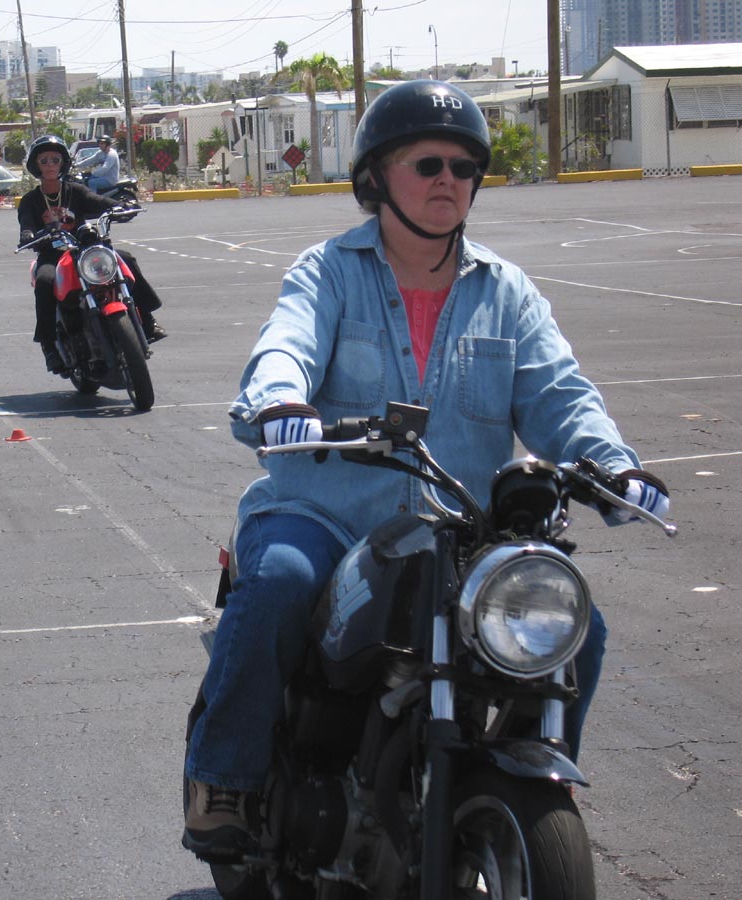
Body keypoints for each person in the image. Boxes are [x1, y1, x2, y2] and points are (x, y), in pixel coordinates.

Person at [182, 80, 672, 860]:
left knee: (571, 624)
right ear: (377, 177)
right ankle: (223, 778)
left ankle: (533, 790)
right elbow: (286, 344)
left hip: (457, 533)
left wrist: (613, 467)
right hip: (327, 516)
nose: (449, 180)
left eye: (464, 167)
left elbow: (560, 395)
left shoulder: (506, 293)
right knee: (276, 582)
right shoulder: (329, 272)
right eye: (428, 164)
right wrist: (280, 402)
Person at [17, 134, 165, 373]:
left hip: (83, 250)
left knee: (125, 258)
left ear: (63, 163)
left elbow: (98, 201)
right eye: (44, 161)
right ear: (36, 166)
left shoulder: (75, 191)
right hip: (53, 255)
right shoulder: (30, 200)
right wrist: (28, 234)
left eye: (55, 160)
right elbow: (26, 223)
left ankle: (147, 320)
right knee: (44, 280)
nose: (50, 165)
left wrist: (120, 205)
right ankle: (49, 346)